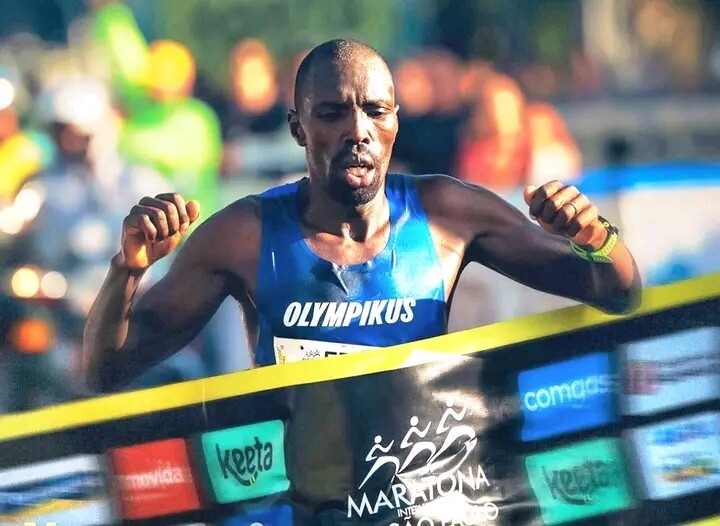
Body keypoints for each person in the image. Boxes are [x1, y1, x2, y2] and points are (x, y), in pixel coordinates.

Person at [82, 39, 641, 392]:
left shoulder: (446, 214)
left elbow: (617, 293)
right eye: (332, 114)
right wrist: (127, 269)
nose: (358, 132)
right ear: (298, 128)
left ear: (396, 120)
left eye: (375, 111)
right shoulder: (243, 235)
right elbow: (105, 372)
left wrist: (595, 236)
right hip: (308, 503)